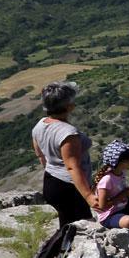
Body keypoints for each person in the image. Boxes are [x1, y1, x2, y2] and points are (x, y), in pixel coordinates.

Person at [31, 81, 99, 226]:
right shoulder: (68, 133)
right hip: (70, 188)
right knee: (82, 228)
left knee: (66, 225)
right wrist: (88, 196)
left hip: (51, 181)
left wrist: (53, 170)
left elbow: (40, 154)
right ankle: (60, 248)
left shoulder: (41, 124)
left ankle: (60, 248)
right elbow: (72, 167)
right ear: (69, 106)